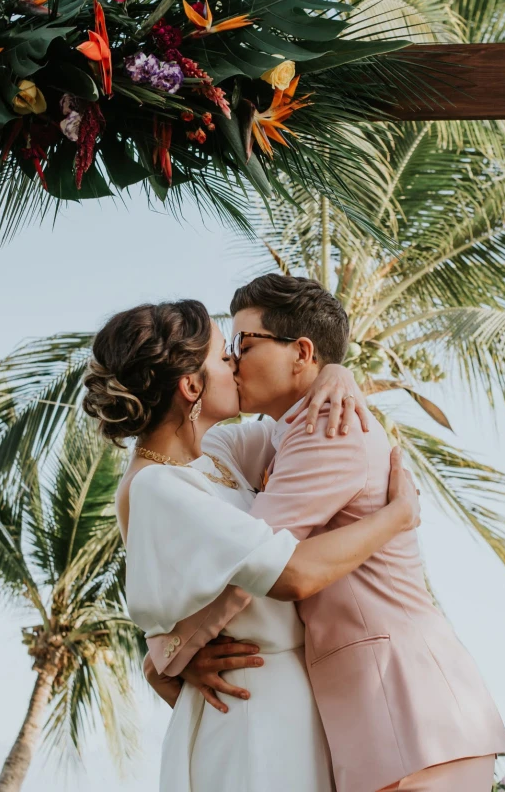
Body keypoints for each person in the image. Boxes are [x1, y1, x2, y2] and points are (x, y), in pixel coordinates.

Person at [145, 275, 505, 792]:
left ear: (300, 352)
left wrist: (164, 657)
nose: (233, 362)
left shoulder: (328, 431)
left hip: (407, 709)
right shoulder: (288, 431)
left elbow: (261, 567)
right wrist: (338, 370)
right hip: (386, 720)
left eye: (244, 345)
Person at [81, 299, 422, 792]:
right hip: (253, 707)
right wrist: (397, 517)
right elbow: (292, 575)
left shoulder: (215, 454)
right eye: (225, 357)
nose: (237, 365)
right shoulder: (158, 487)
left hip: (287, 697)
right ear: (191, 385)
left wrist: (334, 372)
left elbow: (297, 418)